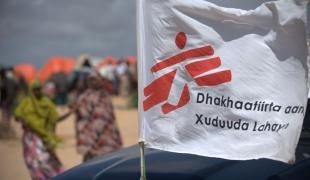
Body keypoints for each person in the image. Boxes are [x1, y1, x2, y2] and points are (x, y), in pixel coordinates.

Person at [14, 80, 75, 180]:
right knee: (32, 162)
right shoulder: (26, 102)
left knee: (45, 161)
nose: (37, 91)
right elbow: (17, 115)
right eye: (35, 89)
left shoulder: (46, 102)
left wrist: (69, 113)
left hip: (43, 137)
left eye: (39, 89)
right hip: (30, 138)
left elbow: (55, 119)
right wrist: (22, 119)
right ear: (31, 90)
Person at [75, 71, 122, 162]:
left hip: (107, 134)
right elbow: (82, 117)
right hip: (90, 136)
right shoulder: (84, 97)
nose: (93, 82)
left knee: (108, 161)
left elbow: (109, 115)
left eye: (95, 80)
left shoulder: (105, 96)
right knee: (90, 163)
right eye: (91, 80)